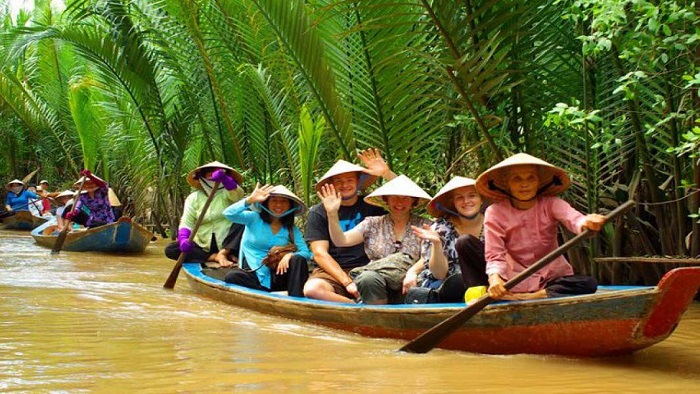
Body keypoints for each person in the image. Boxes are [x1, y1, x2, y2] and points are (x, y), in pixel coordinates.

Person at [474, 153, 606, 301]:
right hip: (517, 280)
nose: (525, 184)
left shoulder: (551, 203)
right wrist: (495, 280)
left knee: (588, 283)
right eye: (517, 179)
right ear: (507, 184)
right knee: (467, 244)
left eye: (531, 178)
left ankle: (530, 297)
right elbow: (494, 253)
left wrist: (587, 222)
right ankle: (517, 294)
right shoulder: (495, 212)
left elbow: (575, 219)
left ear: (539, 182)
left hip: (552, 278)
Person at [318, 175, 432, 304]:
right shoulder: (372, 223)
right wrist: (332, 214)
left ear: (413, 201)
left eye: (405, 198)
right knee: (367, 278)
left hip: (412, 281)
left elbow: (428, 256)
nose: (399, 203)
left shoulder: (426, 225)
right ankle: (377, 317)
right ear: (386, 200)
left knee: (427, 285)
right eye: (394, 197)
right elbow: (341, 241)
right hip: (377, 283)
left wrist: (412, 272)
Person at [303, 150, 397, 303]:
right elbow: (320, 254)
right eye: (338, 181)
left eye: (350, 180)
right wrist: (346, 282)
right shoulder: (319, 211)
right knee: (313, 289)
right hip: (333, 270)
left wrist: (387, 174)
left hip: (370, 267)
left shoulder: (373, 205)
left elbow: (406, 200)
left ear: (358, 181)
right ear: (331, 185)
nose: (345, 185)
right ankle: (357, 307)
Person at [404, 176, 487, 303]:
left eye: (472, 195)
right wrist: (437, 244)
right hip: (449, 287)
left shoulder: (494, 221)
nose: (466, 201)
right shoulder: (440, 227)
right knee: (458, 283)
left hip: (488, 281)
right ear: (453, 203)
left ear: (481, 199)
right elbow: (439, 274)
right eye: (460, 197)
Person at [221, 184, 312, 297]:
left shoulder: (291, 229)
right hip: (254, 273)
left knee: (298, 259)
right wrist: (250, 200)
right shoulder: (253, 218)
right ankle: (265, 294)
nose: (278, 205)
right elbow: (228, 214)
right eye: (274, 200)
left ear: (290, 205)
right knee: (232, 276)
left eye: (283, 201)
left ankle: (296, 299)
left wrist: (290, 256)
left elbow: (306, 253)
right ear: (267, 203)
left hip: (278, 274)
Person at [164, 161, 245, 268]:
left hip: (229, 244)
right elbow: (187, 222)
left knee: (243, 221)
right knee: (171, 249)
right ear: (202, 177)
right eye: (210, 173)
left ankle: (225, 253)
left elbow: (237, 194)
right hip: (204, 245)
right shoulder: (193, 198)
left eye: (218, 172)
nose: (213, 175)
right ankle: (214, 257)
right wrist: (183, 239)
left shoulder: (227, 193)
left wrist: (224, 179)